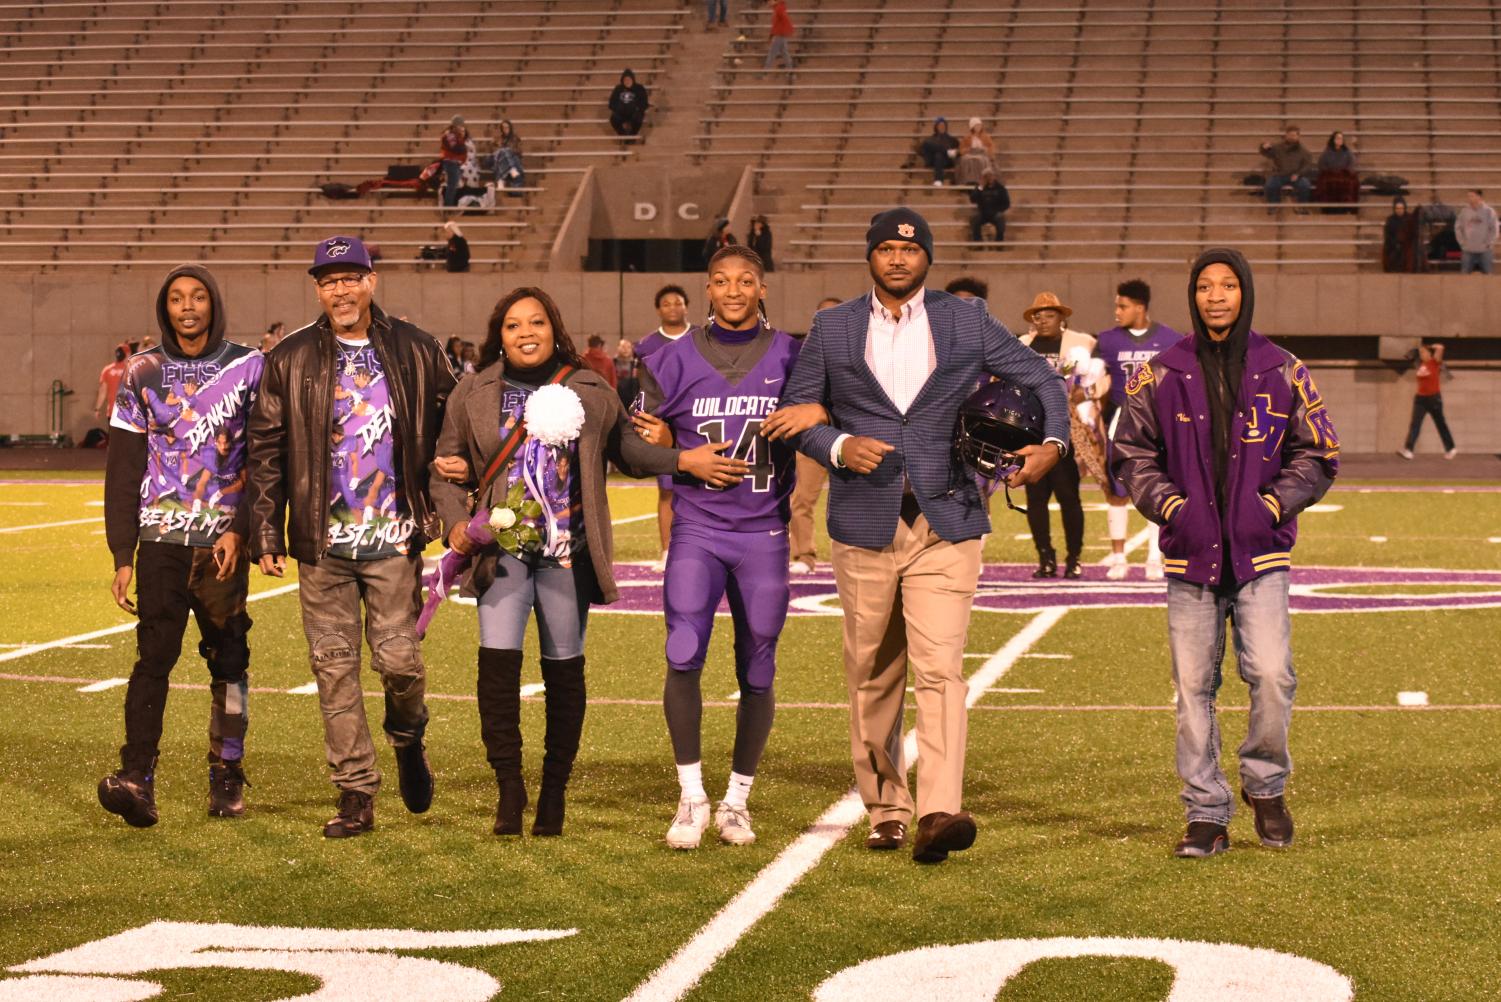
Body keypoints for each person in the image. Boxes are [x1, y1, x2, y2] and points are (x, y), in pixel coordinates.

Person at [767, 208, 1069, 863]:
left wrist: (1052, 443)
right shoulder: (831, 325)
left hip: (948, 519)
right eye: (885, 248)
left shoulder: (966, 319)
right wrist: (840, 444)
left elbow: (1042, 377)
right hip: (862, 521)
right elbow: (796, 416)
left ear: (926, 256)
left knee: (940, 672)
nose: (898, 258)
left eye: (909, 248)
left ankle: (938, 810)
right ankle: (885, 808)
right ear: (869, 256)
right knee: (874, 674)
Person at [430, 288, 739, 838]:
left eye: (537, 322)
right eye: (513, 325)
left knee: (564, 671)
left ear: (555, 327)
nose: (526, 333)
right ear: (498, 334)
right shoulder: (473, 390)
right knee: (497, 670)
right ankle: (509, 787)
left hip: (567, 555)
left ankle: (553, 791)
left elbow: (630, 451)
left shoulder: (591, 387)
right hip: (501, 553)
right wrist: (456, 522)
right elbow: (445, 466)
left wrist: (683, 460)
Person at [1111, 248, 1339, 858]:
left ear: (1245, 293)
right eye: (1206, 286)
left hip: (1260, 555)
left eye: (1228, 285)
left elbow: (1317, 453)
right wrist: (1171, 509)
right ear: (1193, 295)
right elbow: (1130, 453)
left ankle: (1266, 786)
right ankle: (1206, 812)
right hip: (1191, 559)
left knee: (1271, 675)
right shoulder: (1159, 372)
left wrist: (1271, 506)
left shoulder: (1284, 368)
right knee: (1193, 688)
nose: (1216, 296)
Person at [247, 235, 458, 839]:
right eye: (327, 280)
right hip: (322, 544)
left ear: (371, 281)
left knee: (398, 661)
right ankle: (356, 791)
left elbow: (454, 425)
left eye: (350, 277)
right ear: (319, 289)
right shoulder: (288, 357)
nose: (339, 289)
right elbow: (264, 449)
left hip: (393, 540)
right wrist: (266, 527)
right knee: (334, 667)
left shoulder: (418, 350)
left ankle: (408, 737)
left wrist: (453, 490)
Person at [634, 245, 823, 849]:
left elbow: (828, 423)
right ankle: (691, 796)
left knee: (759, 666)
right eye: (721, 281)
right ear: (706, 291)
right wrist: (677, 455)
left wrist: (819, 409)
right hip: (698, 528)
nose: (733, 290)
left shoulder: (796, 355)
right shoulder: (665, 359)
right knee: (683, 650)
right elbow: (632, 450)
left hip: (765, 531)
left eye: (745, 280)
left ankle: (737, 799)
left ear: (761, 288)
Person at [97, 265, 263, 828]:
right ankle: (136, 777)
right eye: (176, 298)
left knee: (231, 662)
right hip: (159, 541)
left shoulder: (249, 367)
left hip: (222, 544)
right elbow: (123, 467)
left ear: (213, 303)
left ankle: (228, 770)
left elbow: (265, 460)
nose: (187, 306)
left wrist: (244, 525)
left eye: (197, 296)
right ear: (164, 307)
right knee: (152, 660)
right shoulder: (141, 370)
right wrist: (123, 553)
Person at [1093, 279, 1184, 580]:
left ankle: (1154, 558)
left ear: (1140, 307)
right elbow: (1094, 386)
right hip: (1120, 422)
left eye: (1123, 306)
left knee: (1158, 489)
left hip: (1159, 423)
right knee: (1117, 491)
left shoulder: (1171, 339)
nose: (1117, 312)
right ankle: (1119, 556)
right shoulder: (1105, 341)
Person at [1017, 293, 1095, 579]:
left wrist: (1082, 392)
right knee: (1035, 498)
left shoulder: (1080, 344)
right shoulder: (1021, 346)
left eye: (1049, 314)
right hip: (1031, 430)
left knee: (1068, 497)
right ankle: (1045, 557)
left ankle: (1074, 558)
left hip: (1065, 431)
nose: (1042, 319)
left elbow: (1091, 384)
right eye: (1038, 315)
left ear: (1062, 317)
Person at [636, 286, 703, 571]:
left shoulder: (702, 336)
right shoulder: (647, 344)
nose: (673, 307)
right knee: (667, 490)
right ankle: (666, 550)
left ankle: (701, 547)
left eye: (678, 302)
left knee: (703, 486)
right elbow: (645, 390)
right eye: (667, 303)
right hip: (665, 424)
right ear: (658, 309)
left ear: (686, 306)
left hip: (700, 419)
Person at [787, 295, 841, 574]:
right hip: (812, 439)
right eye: (822, 316)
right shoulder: (801, 355)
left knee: (862, 500)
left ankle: (861, 553)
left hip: (851, 439)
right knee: (801, 499)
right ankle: (803, 555)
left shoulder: (863, 350)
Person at [1399, 341, 1456, 459]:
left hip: (1433, 398)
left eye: (1423, 352)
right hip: (1420, 398)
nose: (1421, 355)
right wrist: (1418, 350)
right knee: (1415, 424)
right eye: (1420, 353)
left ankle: (1451, 448)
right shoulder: (1421, 365)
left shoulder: (1434, 363)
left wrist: (1429, 347)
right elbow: (1409, 355)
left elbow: (1441, 347)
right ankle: (1409, 450)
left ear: (1430, 354)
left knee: (1440, 424)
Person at [1259, 124, 1313, 211]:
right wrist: (1263, 147)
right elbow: (1266, 153)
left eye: (1294, 135)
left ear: (1298, 136)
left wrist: (1298, 174)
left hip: (1296, 176)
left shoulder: (1304, 151)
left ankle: (1302, 206)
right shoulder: (1277, 147)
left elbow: (1307, 165)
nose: (1292, 137)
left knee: (1305, 185)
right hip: (1279, 175)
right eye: (1290, 135)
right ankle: (1274, 205)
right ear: (1286, 135)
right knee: (1270, 185)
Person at [1313, 130, 1359, 212]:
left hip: (1344, 175)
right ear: (1333, 140)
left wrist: (1343, 173)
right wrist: (1332, 173)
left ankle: (1346, 208)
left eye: (1341, 138)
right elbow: (1322, 166)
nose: (1339, 140)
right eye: (1337, 138)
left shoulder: (1348, 153)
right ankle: (1329, 208)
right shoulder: (1326, 153)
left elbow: (1351, 165)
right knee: (1327, 182)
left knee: (1350, 183)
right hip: (1330, 175)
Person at [1456, 188, 1497, 274]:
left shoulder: (1489, 211)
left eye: (1472, 196)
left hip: (1485, 250)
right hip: (1468, 249)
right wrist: (1462, 243)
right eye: (1468, 196)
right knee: (1464, 275)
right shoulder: (1464, 211)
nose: (1469, 198)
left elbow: (1494, 229)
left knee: (1488, 274)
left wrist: (1489, 243)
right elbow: (1458, 228)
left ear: (1479, 197)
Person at [967, 168, 1010, 244]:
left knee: (1000, 219)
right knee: (975, 219)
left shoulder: (1000, 188)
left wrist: (999, 210)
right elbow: (972, 199)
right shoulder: (980, 187)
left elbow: (1006, 204)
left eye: (991, 175)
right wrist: (980, 187)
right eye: (986, 176)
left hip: (995, 213)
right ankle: (978, 242)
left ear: (994, 176)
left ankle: (999, 242)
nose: (989, 178)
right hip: (983, 213)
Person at [1382, 197, 1422, 273]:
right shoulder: (1390, 220)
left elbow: (1413, 233)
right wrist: (1395, 243)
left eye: (1401, 208)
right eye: (1397, 208)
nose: (1399, 210)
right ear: (1394, 209)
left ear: (1404, 208)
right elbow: (1388, 236)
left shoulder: (1409, 218)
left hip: (1407, 245)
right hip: (1394, 245)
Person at [955, 117, 997, 186]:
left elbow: (991, 148)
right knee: (966, 160)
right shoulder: (967, 138)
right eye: (976, 126)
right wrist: (968, 150)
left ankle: (982, 180)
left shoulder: (986, 137)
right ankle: (968, 181)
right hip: (969, 154)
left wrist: (986, 149)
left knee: (980, 160)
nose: (978, 127)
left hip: (982, 154)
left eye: (979, 125)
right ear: (972, 127)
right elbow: (961, 149)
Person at [608, 69, 649, 140]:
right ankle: (622, 135)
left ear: (633, 79)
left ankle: (632, 136)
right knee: (613, 118)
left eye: (629, 79)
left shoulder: (639, 88)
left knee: (638, 118)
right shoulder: (618, 89)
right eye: (625, 80)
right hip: (621, 113)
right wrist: (618, 108)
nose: (627, 81)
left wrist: (637, 108)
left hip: (634, 113)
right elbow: (611, 103)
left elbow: (644, 103)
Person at [917, 118, 959, 186]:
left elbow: (958, 150)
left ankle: (938, 180)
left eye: (943, 126)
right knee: (927, 144)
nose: (942, 127)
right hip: (933, 160)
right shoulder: (931, 139)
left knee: (938, 155)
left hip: (946, 161)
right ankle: (946, 151)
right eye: (940, 126)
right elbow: (920, 150)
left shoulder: (952, 139)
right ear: (936, 127)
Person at [439, 115, 469, 208]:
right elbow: (456, 148)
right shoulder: (450, 134)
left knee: (453, 185)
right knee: (452, 185)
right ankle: (448, 206)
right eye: (460, 125)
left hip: (454, 162)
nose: (461, 127)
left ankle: (449, 205)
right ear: (455, 125)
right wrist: (463, 144)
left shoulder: (455, 134)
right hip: (450, 162)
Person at [95, 342, 130, 421]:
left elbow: (102, 392)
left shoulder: (107, 370)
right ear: (127, 354)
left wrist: (97, 408)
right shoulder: (132, 369)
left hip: (112, 413)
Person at [491, 119, 525, 193]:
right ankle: (511, 169)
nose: (505, 129)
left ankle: (500, 180)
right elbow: (495, 152)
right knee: (502, 153)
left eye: (507, 127)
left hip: (514, 160)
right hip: (501, 161)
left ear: (510, 128)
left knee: (506, 151)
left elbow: (520, 152)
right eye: (503, 128)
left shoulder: (515, 138)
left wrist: (509, 151)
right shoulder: (499, 139)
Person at [764, 0, 794, 72]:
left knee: (772, 52)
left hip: (780, 34)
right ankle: (791, 70)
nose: (768, 3)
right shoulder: (778, 8)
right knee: (784, 52)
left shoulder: (778, 9)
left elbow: (780, 23)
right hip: (781, 33)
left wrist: (771, 36)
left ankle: (764, 71)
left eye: (769, 1)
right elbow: (778, 24)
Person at [614, 337, 640, 409]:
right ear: (618, 348)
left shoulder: (636, 365)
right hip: (616, 398)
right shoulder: (612, 363)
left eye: (628, 347)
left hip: (631, 400)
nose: (625, 349)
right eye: (623, 347)